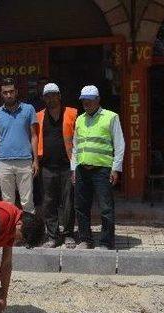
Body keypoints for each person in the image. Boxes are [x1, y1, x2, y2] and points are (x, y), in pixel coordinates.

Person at [72, 85, 125, 250]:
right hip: (82, 169)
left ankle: (106, 242)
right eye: (83, 100)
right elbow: (75, 146)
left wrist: (116, 168)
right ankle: (85, 240)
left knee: (106, 208)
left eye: (89, 100)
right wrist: (73, 168)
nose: (86, 103)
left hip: (102, 170)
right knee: (81, 207)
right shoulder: (80, 119)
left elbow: (120, 144)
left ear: (97, 100)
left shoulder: (111, 117)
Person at [36, 83, 77, 248]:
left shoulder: (72, 113)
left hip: (67, 165)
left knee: (69, 201)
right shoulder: (38, 116)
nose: (50, 98)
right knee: (48, 201)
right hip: (46, 166)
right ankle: (53, 235)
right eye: (47, 95)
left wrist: (76, 164)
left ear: (59, 95)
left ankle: (68, 234)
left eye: (53, 94)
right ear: (44, 98)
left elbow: (79, 139)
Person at [0, 77, 39, 213]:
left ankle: (29, 232)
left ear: (16, 92)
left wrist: (35, 160)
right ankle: (10, 232)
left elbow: (34, 136)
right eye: (5, 92)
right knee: (7, 201)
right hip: (3, 162)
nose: (8, 95)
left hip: (24, 160)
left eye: (11, 91)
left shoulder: (28, 109)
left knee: (27, 200)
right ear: (1, 94)